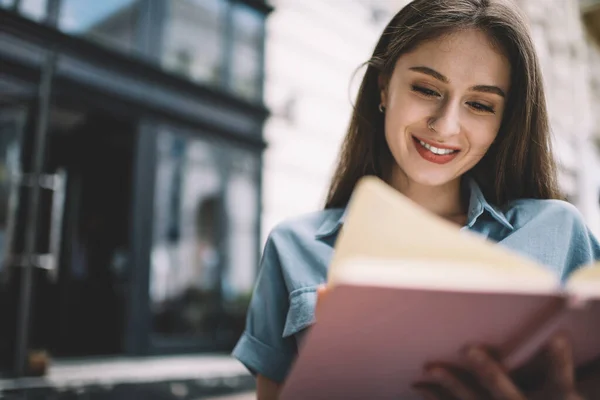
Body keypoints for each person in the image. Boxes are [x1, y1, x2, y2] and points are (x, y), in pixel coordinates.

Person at [232, 0, 600, 399]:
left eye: (480, 104)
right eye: (426, 89)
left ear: (502, 122)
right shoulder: (292, 247)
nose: (445, 125)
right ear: (384, 86)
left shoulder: (558, 233)